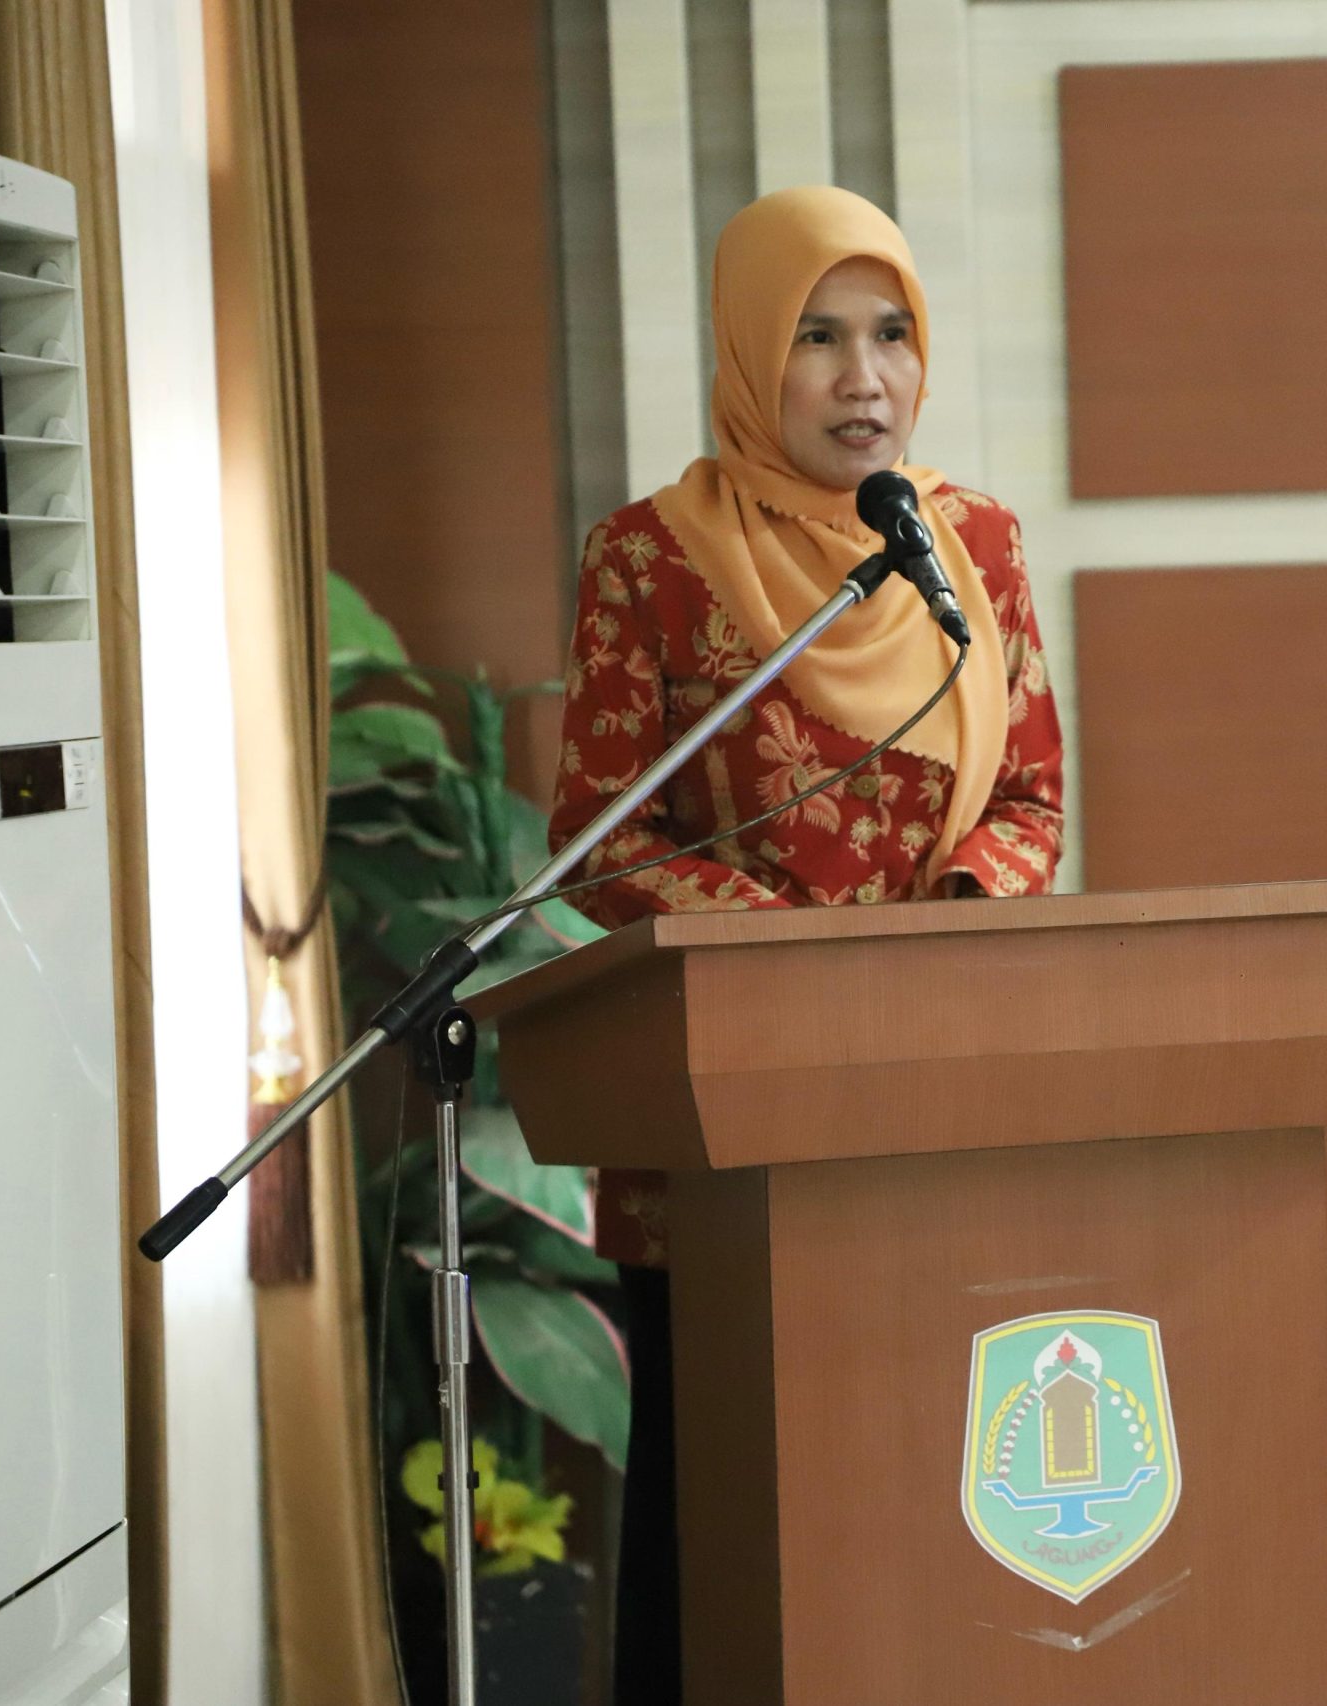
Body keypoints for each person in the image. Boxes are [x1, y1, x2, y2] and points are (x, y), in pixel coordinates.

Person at [544, 184, 1065, 1705]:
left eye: (891, 334)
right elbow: (603, 837)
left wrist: (952, 913)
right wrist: (791, 961)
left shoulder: (970, 548)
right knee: (719, 1526)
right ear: (748, 355)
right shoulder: (649, 560)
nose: (864, 378)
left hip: (931, 1098)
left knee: (930, 1490)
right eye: (818, 338)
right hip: (722, 1126)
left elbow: (1031, 797)